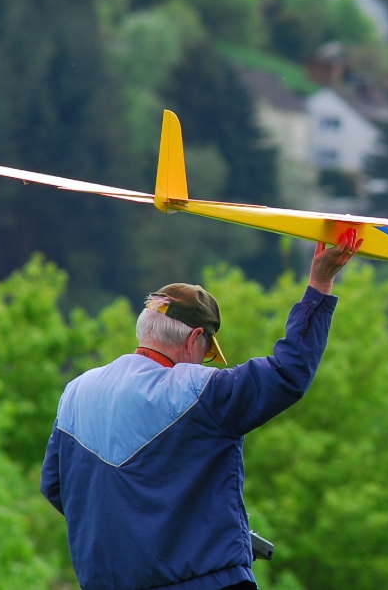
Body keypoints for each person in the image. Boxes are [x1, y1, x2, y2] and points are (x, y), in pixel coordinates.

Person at [41, 229, 363, 590]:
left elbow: (55, 486)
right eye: (207, 352)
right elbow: (288, 373)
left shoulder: (76, 392)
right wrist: (320, 284)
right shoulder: (197, 390)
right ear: (195, 339)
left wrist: (134, 528)